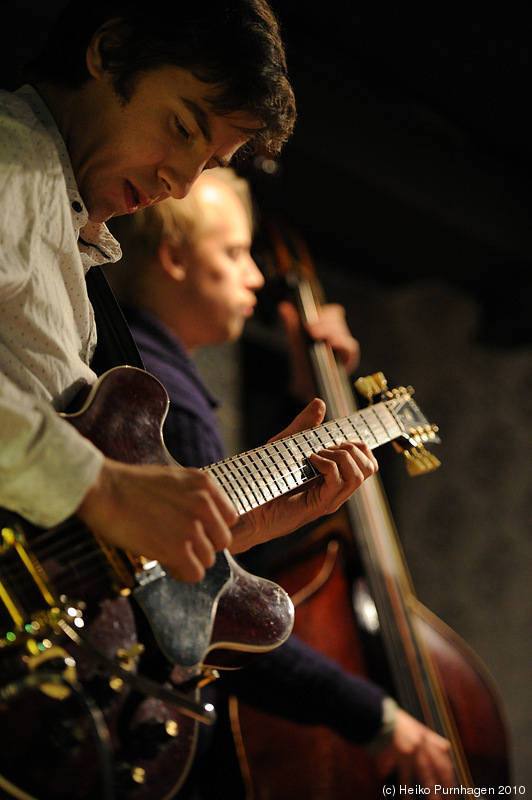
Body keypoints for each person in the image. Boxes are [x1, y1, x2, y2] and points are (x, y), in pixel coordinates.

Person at [0, 0, 378, 586]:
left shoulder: (70, 241)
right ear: (109, 50)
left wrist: (236, 526)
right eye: (181, 127)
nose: (179, 183)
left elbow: (64, 533)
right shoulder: (8, 161)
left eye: (207, 161)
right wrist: (100, 486)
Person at [107, 167, 455, 796]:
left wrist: (309, 390)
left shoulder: (138, 365)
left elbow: (228, 525)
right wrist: (375, 716)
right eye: (236, 252)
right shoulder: (163, 397)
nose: (258, 276)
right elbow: (214, 605)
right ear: (173, 257)